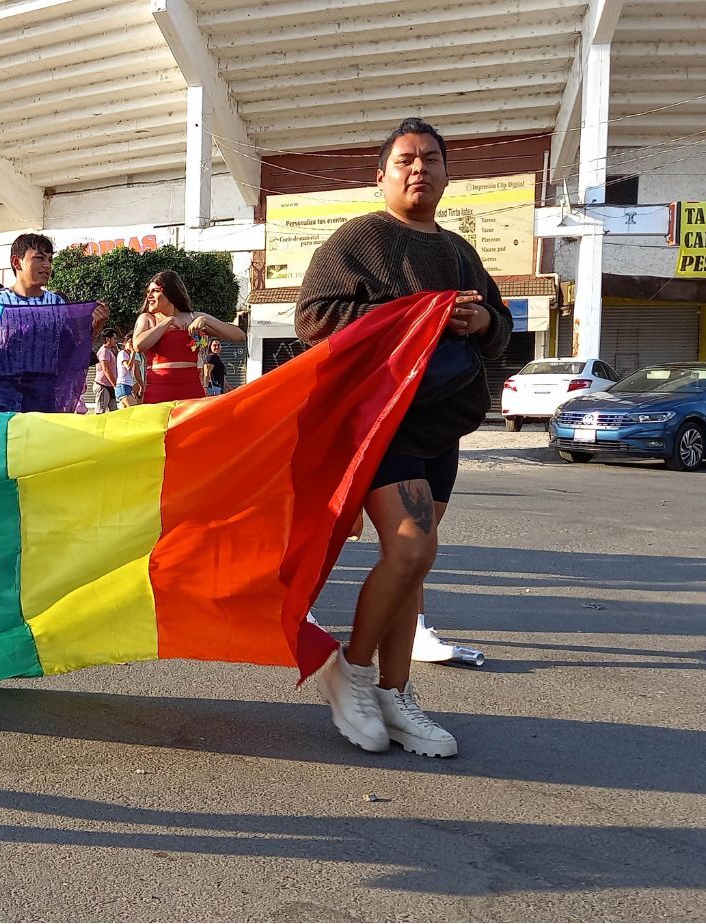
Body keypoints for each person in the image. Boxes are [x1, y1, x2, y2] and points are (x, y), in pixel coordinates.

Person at [297, 118, 513, 759]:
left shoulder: (458, 249)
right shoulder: (359, 239)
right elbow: (314, 316)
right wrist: (418, 314)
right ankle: (352, 670)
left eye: (431, 160)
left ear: (448, 173)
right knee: (413, 549)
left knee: (412, 565)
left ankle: (397, 692)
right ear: (383, 174)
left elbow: (499, 321)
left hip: (442, 426)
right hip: (382, 425)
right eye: (405, 160)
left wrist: (479, 321)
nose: (419, 169)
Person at [130, 271, 244, 404]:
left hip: (191, 391)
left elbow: (239, 336)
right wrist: (169, 321)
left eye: (155, 291)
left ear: (171, 293)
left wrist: (205, 319)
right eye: (148, 291)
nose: (149, 296)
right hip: (158, 392)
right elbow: (138, 345)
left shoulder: (192, 317)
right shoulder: (148, 319)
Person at [94, 328, 120, 412]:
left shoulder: (109, 351)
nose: (116, 341)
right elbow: (106, 369)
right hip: (103, 385)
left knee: (114, 412)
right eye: (114, 338)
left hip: (109, 386)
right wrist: (115, 385)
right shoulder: (104, 351)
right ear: (108, 339)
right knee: (100, 412)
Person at [115, 338, 140, 408]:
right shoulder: (122, 353)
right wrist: (133, 352)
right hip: (123, 386)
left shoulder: (128, 355)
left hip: (127, 386)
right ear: (125, 343)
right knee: (135, 409)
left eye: (133, 343)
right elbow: (128, 367)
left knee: (125, 414)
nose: (132, 345)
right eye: (130, 342)